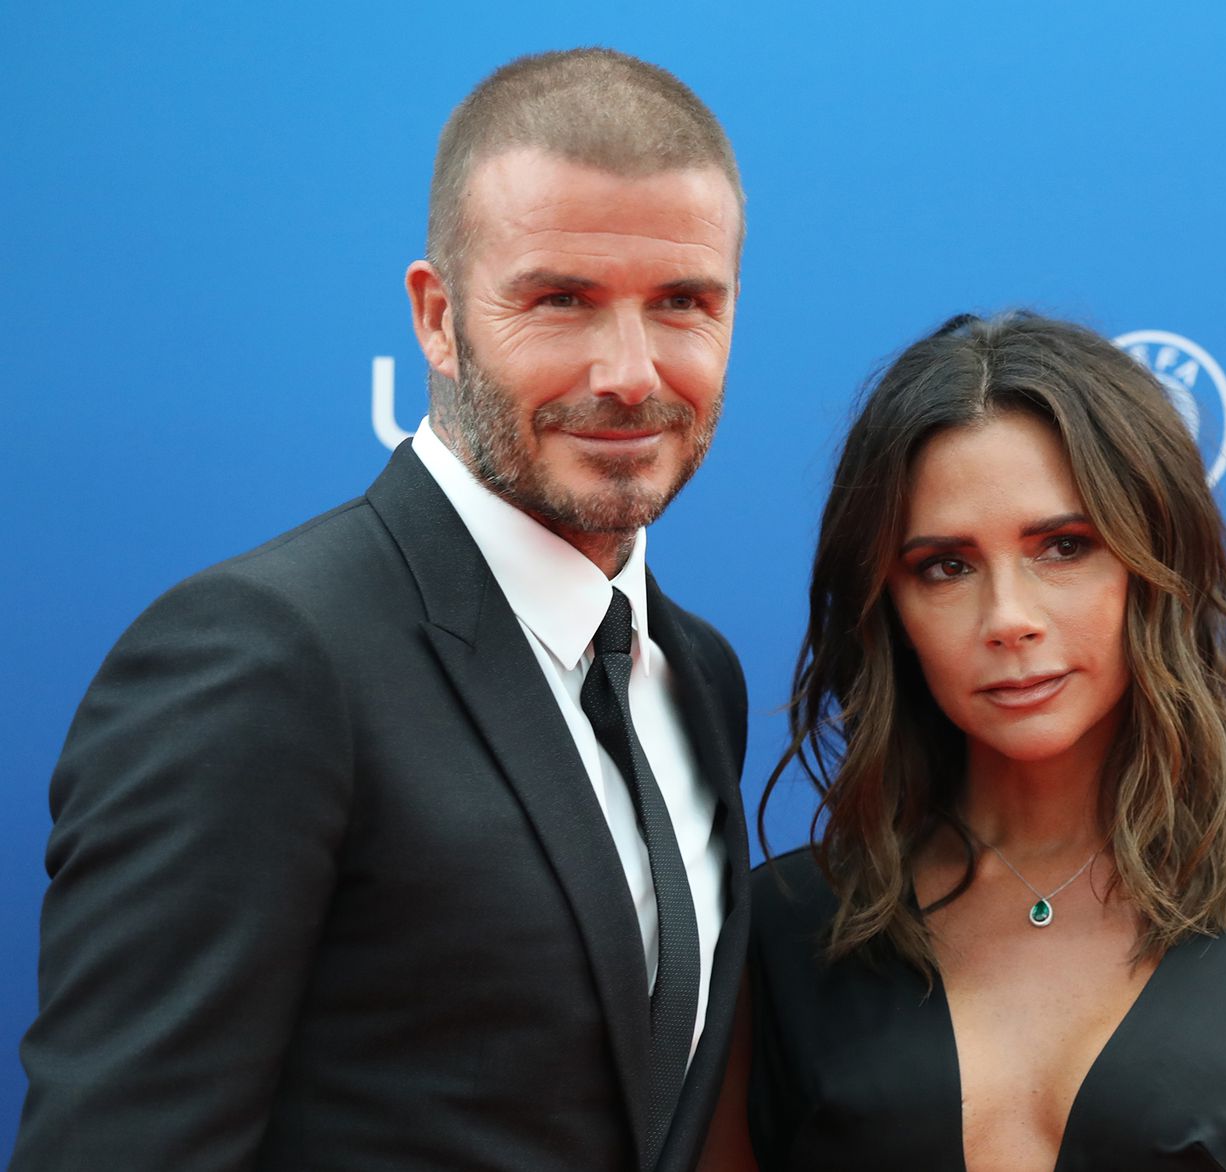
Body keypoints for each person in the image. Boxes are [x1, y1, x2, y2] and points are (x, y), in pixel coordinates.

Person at [13, 49, 750, 1172]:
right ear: (438, 318)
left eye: (683, 303)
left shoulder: (695, 673)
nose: (629, 370)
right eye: (561, 299)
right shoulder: (262, 657)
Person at [702, 312, 1226, 1170]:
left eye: (1063, 546)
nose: (1009, 619)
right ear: (889, 610)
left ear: (1154, 566)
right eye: (945, 564)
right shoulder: (779, 936)